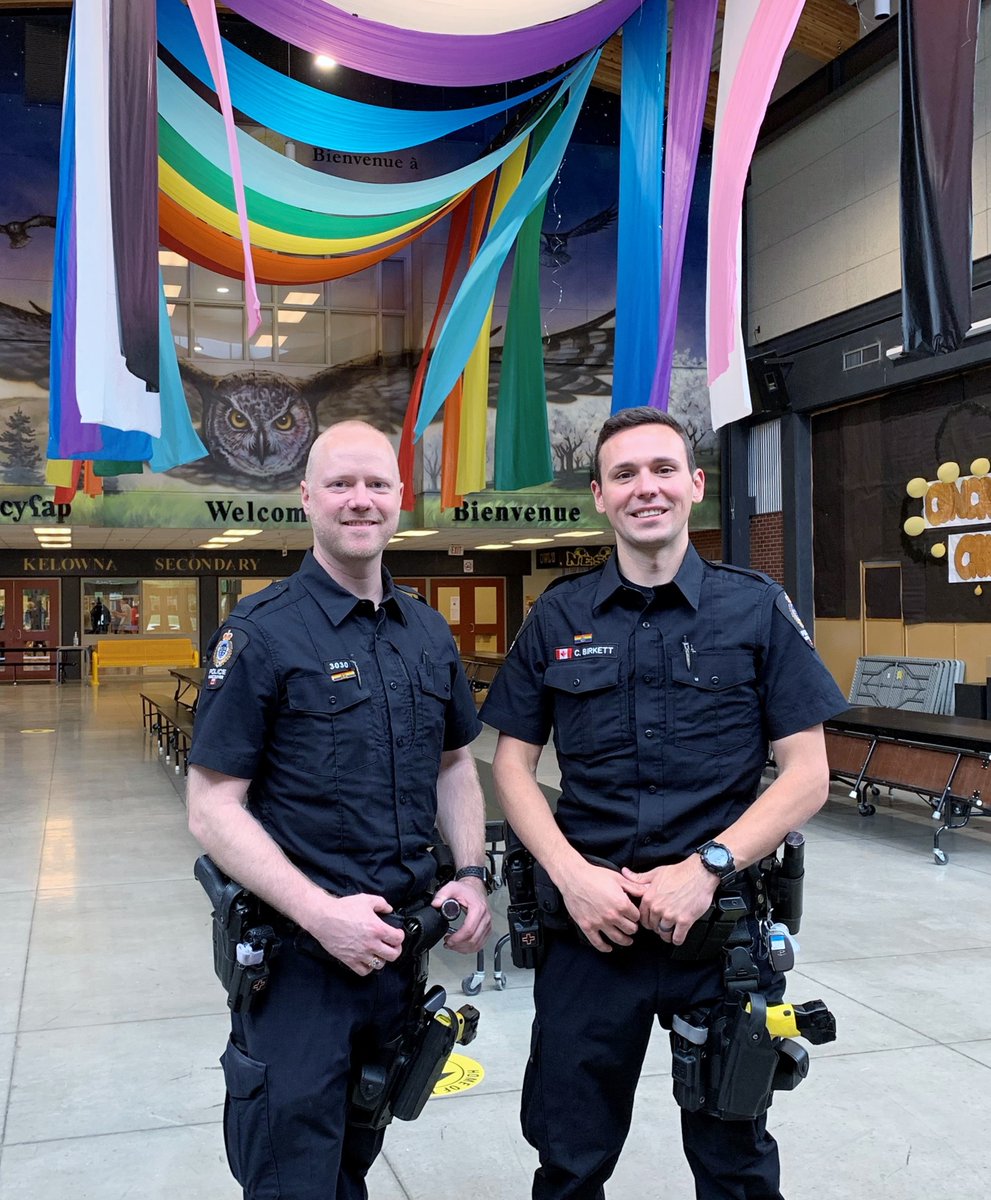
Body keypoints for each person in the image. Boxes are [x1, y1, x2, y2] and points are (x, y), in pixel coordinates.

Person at [480, 407, 847, 1200]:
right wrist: (572, 876)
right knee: (569, 1160)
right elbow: (511, 766)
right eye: (623, 475)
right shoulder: (557, 616)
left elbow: (806, 773)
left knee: (735, 1161)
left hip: (719, 939)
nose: (644, 487)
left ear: (694, 485)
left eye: (660, 469)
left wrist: (708, 866)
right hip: (589, 932)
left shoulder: (756, 610)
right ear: (600, 497)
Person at [187, 420, 493, 1200]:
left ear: (400, 497)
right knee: (292, 1177)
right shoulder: (261, 632)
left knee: (355, 1160)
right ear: (305, 499)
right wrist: (321, 914)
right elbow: (211, 808)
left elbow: (456, 763)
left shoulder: (426, 633)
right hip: (300, 970)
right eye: (340, 485)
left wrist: (467, 873)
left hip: (400, 958)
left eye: (376, 484)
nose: (360, 500)